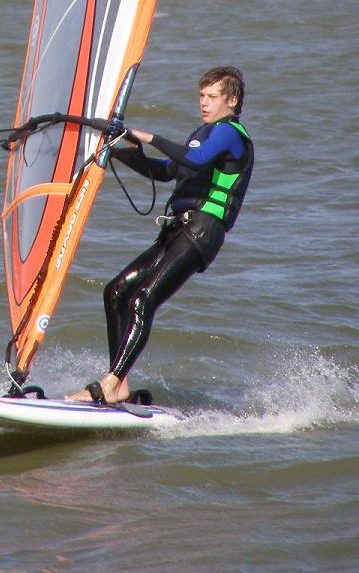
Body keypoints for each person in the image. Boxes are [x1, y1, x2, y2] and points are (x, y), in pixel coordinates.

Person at [68, 65, 253, 405]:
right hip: (178, 229)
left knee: (142, 300)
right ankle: (119, 384)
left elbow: (194, 161)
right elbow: (168, 171)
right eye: (201, 95)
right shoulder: (205, 133)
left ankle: (110, 382)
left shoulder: (229, 133)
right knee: (116, 292)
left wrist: (147, 136)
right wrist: (119, 151)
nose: (204, 102)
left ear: (232, 99)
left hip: (203, 231)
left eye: (212, 97)